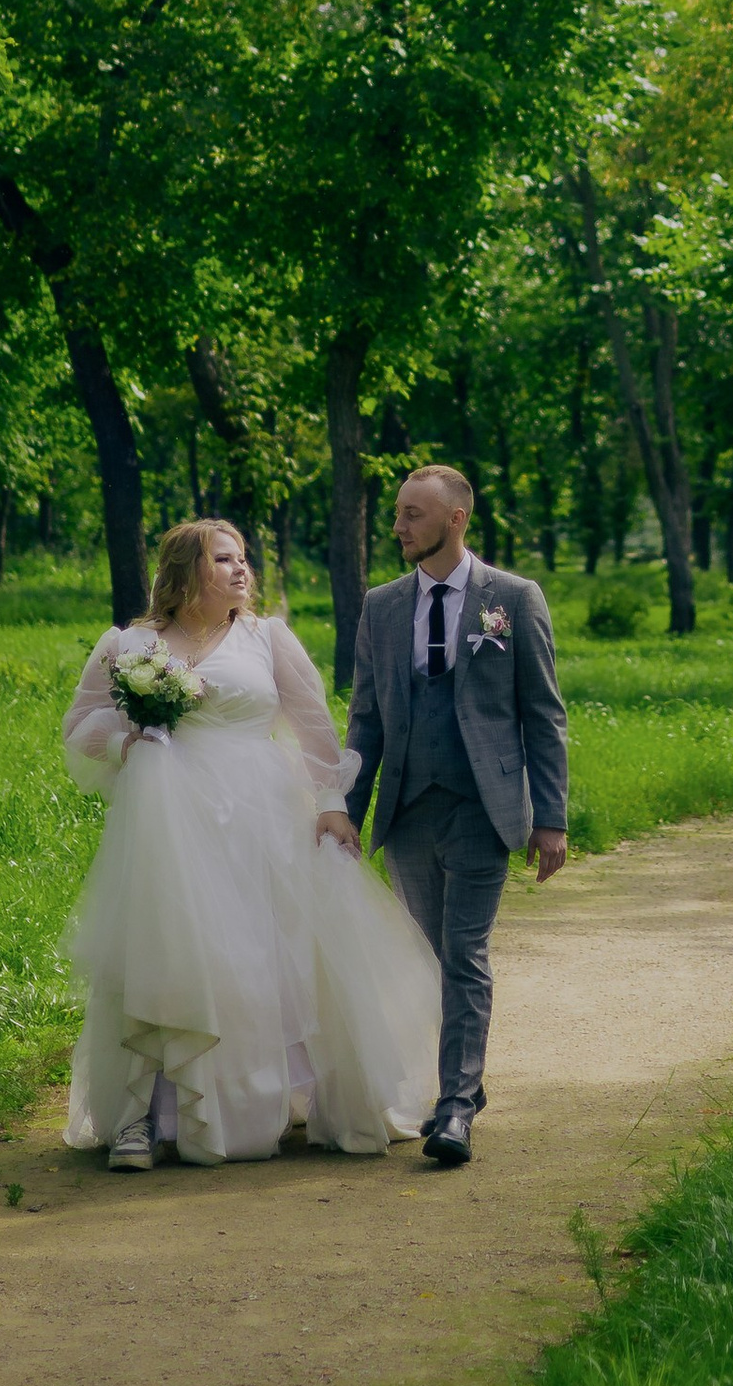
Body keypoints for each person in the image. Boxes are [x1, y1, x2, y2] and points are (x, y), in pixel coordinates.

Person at [60, 516, 439, 1170]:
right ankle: (142, 1117)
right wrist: (130, 743)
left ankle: (260, 1101)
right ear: (185, 573)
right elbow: (81, 726)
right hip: (166, 830)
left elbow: (317, 732)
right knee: (168, 953)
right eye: (224, 559)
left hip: (262, 825)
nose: (241, 570)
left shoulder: (267, 638)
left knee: (261, 960)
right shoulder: (131, 643)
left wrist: (329, 804)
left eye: (243, 559)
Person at [334, 463, 568, 1170]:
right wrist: (345, 809)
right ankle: (464, 1079)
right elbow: (365, 718)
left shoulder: (514, 599)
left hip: (481, 806)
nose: (399, 526)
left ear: (455, 519)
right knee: (426, 958)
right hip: (407, 808)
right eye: (399, 513)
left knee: (464, 955)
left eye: (412, 514)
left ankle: (456, 1106)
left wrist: (550, 817)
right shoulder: (381, 606)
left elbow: (543, 714)